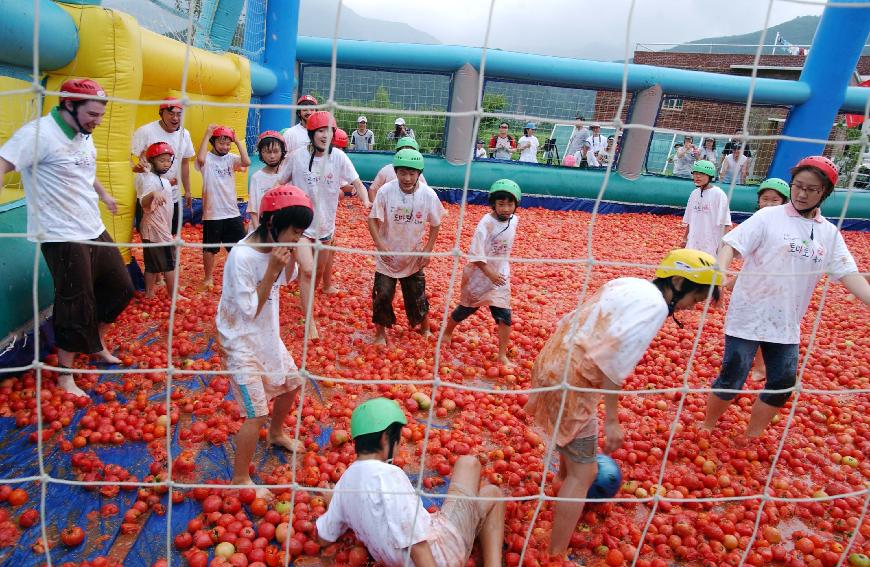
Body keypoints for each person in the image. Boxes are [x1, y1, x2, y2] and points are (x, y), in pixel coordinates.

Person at [525, 249, 723, 555]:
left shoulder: (631, 283)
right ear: (679, 281)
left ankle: (558, 490)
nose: (690, 308)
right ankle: (556, 553)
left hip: (553, 360)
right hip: (574, 383)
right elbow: (611, 364)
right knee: (585, 474)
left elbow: (576, 318)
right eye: (695, 300)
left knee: (572, 458)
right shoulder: (655, 307)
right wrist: (613, 421)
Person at [702, 156, 870, 438]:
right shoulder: (769, 216)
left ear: (825, 193)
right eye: (798, 186)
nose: (802, 194)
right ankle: (707, 424)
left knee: (782, 381)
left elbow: (848, 274)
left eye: (812, 189)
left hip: (786, 321)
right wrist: (719, 271)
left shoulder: (828, 233)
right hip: (749, 312)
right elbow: (731, 244)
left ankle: (752, 434)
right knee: (733, 375)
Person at [0, 78, 134, 397]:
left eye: (101, 115)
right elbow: (3, 164)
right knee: (76, 301)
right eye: (93, 114)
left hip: (91, 225)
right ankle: (64, 375)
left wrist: (104, 196)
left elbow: (86, 171)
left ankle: (95, 344)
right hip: (60, 233)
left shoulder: (83, 134)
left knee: (121, 287)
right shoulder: (39, 134)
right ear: (69, 105)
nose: (98, 122)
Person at [316, 397, 505, 567]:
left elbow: (323, 537)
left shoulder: (346, 481)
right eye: (398, 439)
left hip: (400, 559)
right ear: (386, 438)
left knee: (492, 494)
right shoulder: (388, 475)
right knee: (468, 463)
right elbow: (417, 544)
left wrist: (333, 502)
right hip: (441, 552)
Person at [216, 185, 313, 495]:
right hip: (240, 341)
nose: (297, 238)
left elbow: (289, 279)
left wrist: (294, 259)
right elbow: (249, 312)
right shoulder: (241, 257)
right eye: (295, 232)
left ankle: (276, 433)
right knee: (255, 412)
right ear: (272, 224)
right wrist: (272, 269)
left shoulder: (278, 247)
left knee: (292, 383)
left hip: (267, 335)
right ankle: (240, 478)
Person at [284, 111, 370, 335]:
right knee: (308, 270)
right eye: (320, 131)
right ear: (312, 133)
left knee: (319, 271)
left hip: (325, 228)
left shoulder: (339, 157)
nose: (325, 135)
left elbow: (357, 183)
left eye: (329, 131)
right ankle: (309, 321)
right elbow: (278, 181)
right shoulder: (297, 156)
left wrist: (367, 201)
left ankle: (306, 297)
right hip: (300, 227)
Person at [368, 149, 445, 345]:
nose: (407, 178)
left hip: (413, 255)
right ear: (396, 172)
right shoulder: (386, 191)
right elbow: (372, 220)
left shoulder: (428, 194)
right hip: (388, 257)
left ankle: (425, 328)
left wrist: (428, 249)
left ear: (419, 174)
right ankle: (380, 333)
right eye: (402, 172)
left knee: (417, 294)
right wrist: (380, 245)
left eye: (412, 173)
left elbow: (436, 223)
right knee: (382, 294)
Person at [442, 179, 520, 366]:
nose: (506, 209)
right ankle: (447, 331)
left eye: (510, 204)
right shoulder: (485, 224)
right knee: (465, 309)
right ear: (493, 204)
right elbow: (476, 254)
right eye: (501, 204)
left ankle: (502, 355)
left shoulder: (515, 220)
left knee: (505, 317)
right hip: (479, 276)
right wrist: (489, 272)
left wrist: (497, 273)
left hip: (500, 277)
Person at [724, 177, 791, 383]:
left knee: (767, 330)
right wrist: (732, 281)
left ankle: (761, 367)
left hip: (778, 287)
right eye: (765, 199)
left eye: (775, 200)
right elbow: (742, 254)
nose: (768, 204)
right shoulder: (758, 221)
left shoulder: (787, 226)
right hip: (754, 286)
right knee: (749, 327)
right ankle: (740, 366)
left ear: (785, 203)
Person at [196, 124, 251, 289]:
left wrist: (237, 142)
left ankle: (240, 275)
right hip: (213, 212)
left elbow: (247, 162)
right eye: (221, 143)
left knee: (238, 246)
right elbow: (199, 159)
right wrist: (207, 133)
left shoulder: (231, 158)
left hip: (231, 211)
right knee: (209, 248)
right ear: (213, 142)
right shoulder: (207, 159)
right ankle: (208, 278)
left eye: (228, 143)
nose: (225, 147)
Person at [131, 97, 196, 235]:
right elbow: (129, 159)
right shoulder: (146, 131)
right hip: (149, 195)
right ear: (161, 113)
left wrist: (188, 191)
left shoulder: (185, 134)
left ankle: (169, 257)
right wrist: (136, 166)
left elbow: (184, 163)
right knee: (149, 236)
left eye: (179, 114)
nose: (175, 118)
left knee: (172, 234)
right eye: (171, 113)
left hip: (172, 195)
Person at [135, 142, 179, 300]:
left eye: (168, 160)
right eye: (162, 160)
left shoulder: (158, 179)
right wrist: (153, 193)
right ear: (152, 161)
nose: (166, 163)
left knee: (152, 265)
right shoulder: (150, 181)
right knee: (169, 264)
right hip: (156, 230)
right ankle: (174, 296)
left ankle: (149, 293)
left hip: (154, 229)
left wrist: (170, 184)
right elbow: (143, 203)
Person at [681, 160, 731, 256]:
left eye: (702, 174)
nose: (697, 176)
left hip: (711, 246)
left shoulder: (719, 194)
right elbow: (691, 220)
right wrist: (685, 238)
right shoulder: (694, 194)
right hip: (692, 244)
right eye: (695, 173)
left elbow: (726, 223)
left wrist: (721, 246)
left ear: (710, 176)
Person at [247, 130, 288, 230]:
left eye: (276, 151)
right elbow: (253, 209)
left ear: (282, 152)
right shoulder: (256, 177)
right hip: (260, 228)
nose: (272, 156)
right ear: (261, 153)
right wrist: (258, 230)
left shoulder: (287, 175)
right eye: (268, 152)